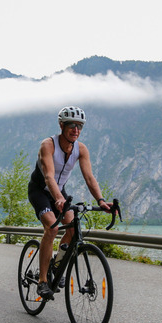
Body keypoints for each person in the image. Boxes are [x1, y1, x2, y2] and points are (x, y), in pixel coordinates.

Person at [27, 106, 111, 300]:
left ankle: (57, 263)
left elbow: (89, 178)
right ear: (61, 125)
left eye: (80, 126)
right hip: (40, 190)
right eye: (72, 125)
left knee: (72, 228)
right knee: (53, 228)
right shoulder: (48, 145)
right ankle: (42, 281)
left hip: (60, 191)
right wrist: (58, 198)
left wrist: (101, 200)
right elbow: (48, 176)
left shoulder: (81, 149)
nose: (76, 130)